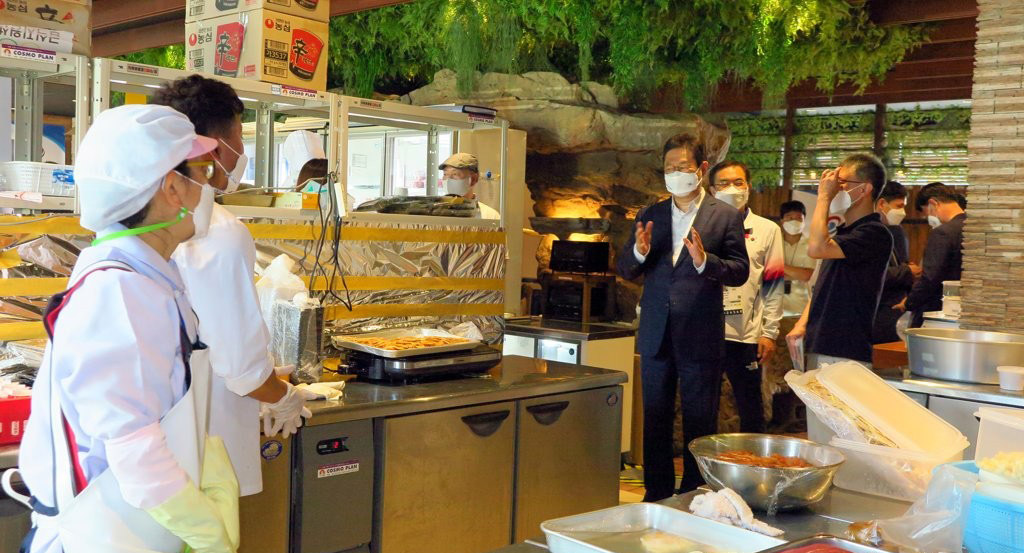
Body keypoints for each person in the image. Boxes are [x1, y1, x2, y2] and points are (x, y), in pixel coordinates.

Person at [12, 104, 238, 553]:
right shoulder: (118, 293)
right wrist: (207, 533)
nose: (209, 188)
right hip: (100, 534)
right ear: (172, 188)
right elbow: (134, 451)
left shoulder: (151, 277)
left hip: (139, 527)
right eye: (203, 172)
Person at [154, 75, 315, 499]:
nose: (242, 150)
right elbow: (239, 364)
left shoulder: (143, 225)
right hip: (205, 443)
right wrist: (283, 396)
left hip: (158, 445)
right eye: (240, 135)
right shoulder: (221, 232)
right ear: (215, 148)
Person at [617, 134, 749, 500]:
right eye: (669, 168)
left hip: (700, 334)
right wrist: (639, 253)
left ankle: (694, 492)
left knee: (699, 419)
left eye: (683, 167)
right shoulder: (651, 215)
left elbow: (740, 270)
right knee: (655, 417)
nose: (675, 173)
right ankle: (656, 493)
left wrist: (706, 262)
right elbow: (625, 268)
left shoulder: (724, 215)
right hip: (656, 332)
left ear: (702, 169)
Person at [787, 154, 892, 369]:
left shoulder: (874, 232)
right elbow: (824, 284)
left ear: (864, 189)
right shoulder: (844, 232)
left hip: (844, 347)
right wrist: (802, 324)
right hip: (821, 342)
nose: (835, 188)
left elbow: (816, 248)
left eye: (842, 182)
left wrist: (823, 198)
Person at [710, 161, 784, 434]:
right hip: (705, 331)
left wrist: (769, 332)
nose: (732, 188)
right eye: (724, 183)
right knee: (704, 403)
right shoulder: (701, 226)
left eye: (738, 182)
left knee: (750, 404)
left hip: (745, 333)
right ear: (712, 190)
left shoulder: (767, 229)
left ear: (748, 187)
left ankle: (754, 457)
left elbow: (774, 284)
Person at [898, 182, 966, 327]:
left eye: (926, 213)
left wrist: (909, 302)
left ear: (933, 204)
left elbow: (930, 278)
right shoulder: (975, 227)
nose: (928, 219)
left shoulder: (942, 232)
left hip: (939, 310)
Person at [872, 181, 918, 343]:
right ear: (882, 204)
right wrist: (907, 271)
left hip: (893, 309)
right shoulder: (868, 233)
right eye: (898, 206)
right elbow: (871, 274)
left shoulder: (894, 231)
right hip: (877, 312)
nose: (902, 212)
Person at [779, 201, 815, 317]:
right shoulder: (773, 242)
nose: (794, 221)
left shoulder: (812, 245)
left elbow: (806, 276)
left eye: (799, 218)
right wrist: (796, 273)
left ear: (804, 221)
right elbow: (766, 273)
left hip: (801, 308)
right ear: (782, 220)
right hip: (773, 307)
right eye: (790, 217)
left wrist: (778, 266)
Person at [439, 152, 500, 219]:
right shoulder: (434, 213)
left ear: (474, 179)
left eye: (455, 174)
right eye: (445, 174)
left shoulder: (490, 216)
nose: (448, 179)